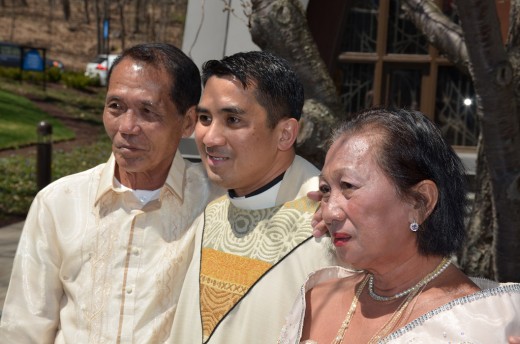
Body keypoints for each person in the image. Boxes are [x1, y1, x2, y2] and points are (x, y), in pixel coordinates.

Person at [0, 43, 222, 343]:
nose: (127, 127)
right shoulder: (58, 203)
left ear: (187, 122)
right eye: (116, 107)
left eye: (148, 111)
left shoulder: (218, 206)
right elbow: (24, 328)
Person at [278, 107, 520, 343]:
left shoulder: (477, 324)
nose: (329, 212)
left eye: (348, 186)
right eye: (325, 190)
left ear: (420, 202)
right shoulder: (317, 300)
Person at [169, 51, 338, 343]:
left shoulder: (328, 222)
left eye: (232, 119)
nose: (210, 138)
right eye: (205, 118)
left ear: (285, 134)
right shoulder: (211, 213)